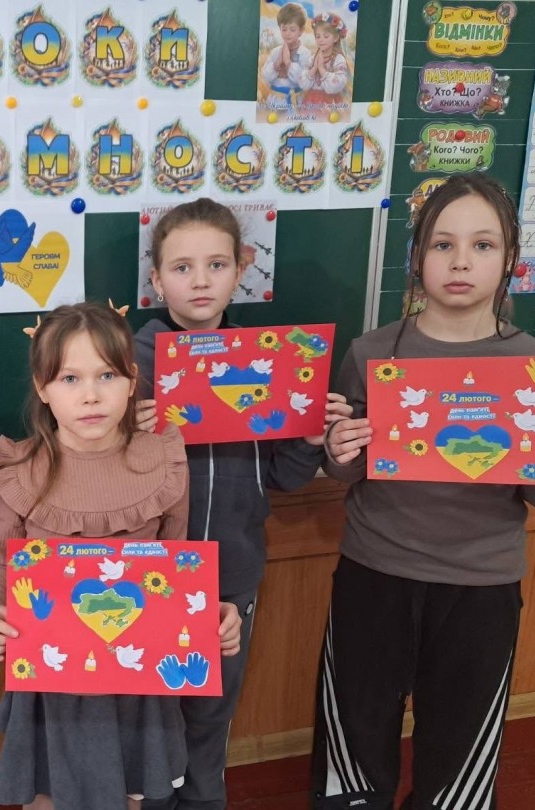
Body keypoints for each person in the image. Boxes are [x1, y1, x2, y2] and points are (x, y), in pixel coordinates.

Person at [313, 172, 535, 808]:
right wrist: (339, 450)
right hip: (374, 574)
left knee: (458, 751)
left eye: (483, 245)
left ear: (509, 259)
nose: (461, 262)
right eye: (443, 244)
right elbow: (346, 469)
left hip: (480, 587)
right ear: (418, 257)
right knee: (355, 743)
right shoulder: (372, 352)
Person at [0, 301, 244, 810]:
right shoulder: (20, 470)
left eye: (108, 375)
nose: (91, 395)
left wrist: (210, 612)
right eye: (69, 378)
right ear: (42, 387)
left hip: (136, 679)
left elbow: (178, 566)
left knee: (130, 795)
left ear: (132, 379)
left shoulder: (162, 461)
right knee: (47, 796)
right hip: (52, 680)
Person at [134, 198, 350, 810]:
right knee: (150, 717)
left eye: (217, 264)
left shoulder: (270, 361)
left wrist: (308, 438)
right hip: (148, 573)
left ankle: (205, 800)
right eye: (181, 267)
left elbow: (282, 477)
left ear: (241, 270)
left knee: (210, 713)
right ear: (157, 281)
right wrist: (132, 437)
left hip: (232, 573)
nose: (200, 280)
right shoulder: (128, 362)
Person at [260, 3, 313, 114]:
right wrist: (276, 65)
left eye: (292, 30)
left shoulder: (304, 53)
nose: (287, 34)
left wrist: (289, 63)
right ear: (279, 28)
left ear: (301, 31)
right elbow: (266, 77)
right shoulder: (276, 52)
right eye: (284, 29)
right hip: (275, 99)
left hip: (295, 100)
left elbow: (304, 81)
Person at [298, 13, 351, 118]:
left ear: (336, 38)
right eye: (317, 36)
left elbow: (337, 85)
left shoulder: (338, 59)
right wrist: (314, 68)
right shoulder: (312, 58)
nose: (320, 40)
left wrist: (321, 69)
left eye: (326, 36)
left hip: (330, 102)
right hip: (311, 101)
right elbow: (303, 84)